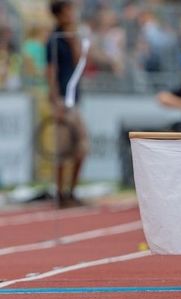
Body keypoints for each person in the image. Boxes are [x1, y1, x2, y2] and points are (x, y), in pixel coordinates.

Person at [46, 0, 88, 207]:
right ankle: (60, 194)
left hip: (74, 99)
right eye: (68, 10)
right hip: (63, 99)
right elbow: (50, 73)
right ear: (60, 14)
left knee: (81, 148)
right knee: (63, 148)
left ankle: (70, 191)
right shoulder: (53, 40)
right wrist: (55, 102)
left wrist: (74, 39)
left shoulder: (71, 36)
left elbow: (79, 61)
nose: (72, 14)